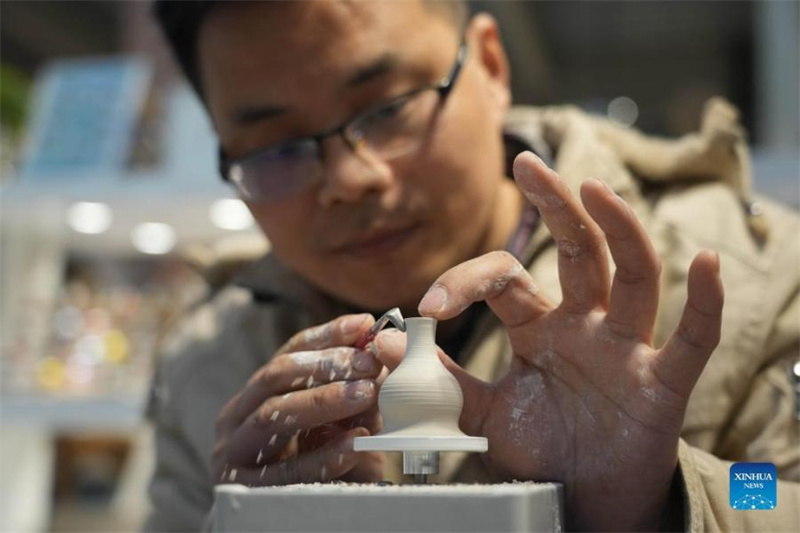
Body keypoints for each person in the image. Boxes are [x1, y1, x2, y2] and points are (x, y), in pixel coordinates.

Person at [146, 1, 799, 531]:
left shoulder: (751, 272)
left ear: (489, 66)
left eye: (389, 108)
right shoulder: (208, 363)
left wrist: (666, 497)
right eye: (276, 147)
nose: (349, 179)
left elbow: (776, 491)